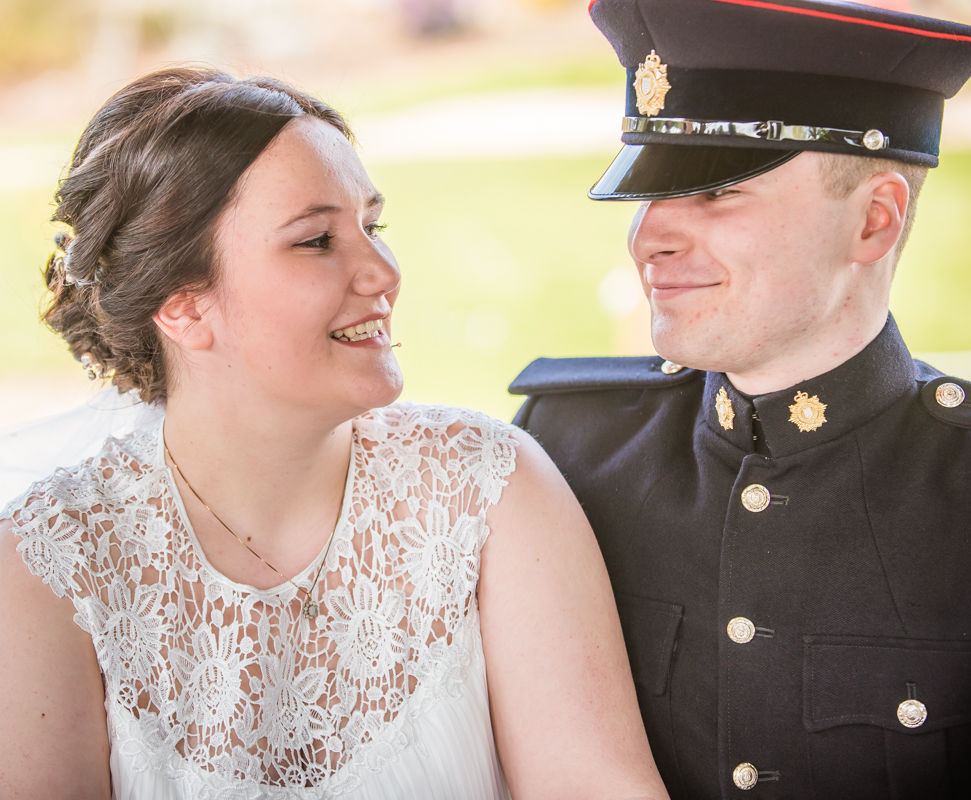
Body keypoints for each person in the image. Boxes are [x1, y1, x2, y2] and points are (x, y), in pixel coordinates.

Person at [0, 67, 668, 800]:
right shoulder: (48, 567)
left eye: (373, 227)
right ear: (184, 307)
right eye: (317, 240)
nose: (383, 272)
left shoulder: (490, 489)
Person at [509, 0, 971, 797]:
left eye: (714, 193)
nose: (647, 238)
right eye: (648, 192)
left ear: (873, 222)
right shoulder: (568, 452)